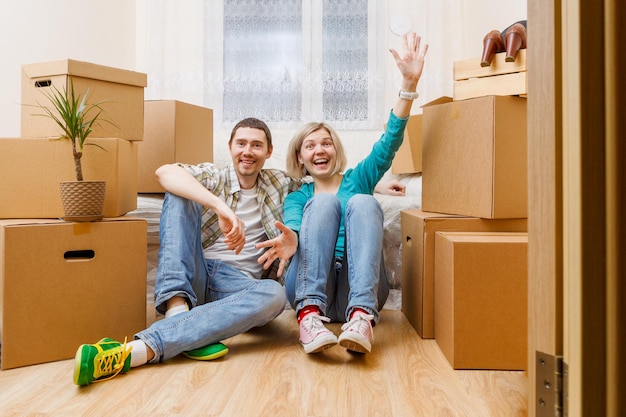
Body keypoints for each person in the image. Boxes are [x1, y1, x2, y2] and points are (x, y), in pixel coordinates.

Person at [72, 117, 301, 385]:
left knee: (274, 294)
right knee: (180, 192)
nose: (247, 151)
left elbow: (323, 183)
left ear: (269, 152)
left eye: (256, 145)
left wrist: (294, 237)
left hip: (239, 287)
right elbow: (165, 172)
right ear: (230, 147)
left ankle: (164, 336)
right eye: (241, 143)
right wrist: (220, 207)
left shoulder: (280, 183)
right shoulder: (215, 177)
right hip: (199, 271)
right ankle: (176, 311)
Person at [280, 32, 428, 354]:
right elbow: (292, 227)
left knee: (362, 201)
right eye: (310, 145)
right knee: (322, 205)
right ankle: (308, 318)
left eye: (326, 142)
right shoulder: (296, 197)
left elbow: (389, 143)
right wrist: (290, 241)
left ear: (335, 150)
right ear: (300, 158)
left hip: (358, 287)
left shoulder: (359, 179)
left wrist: (409, 84)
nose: (320, 149)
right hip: (308, 286)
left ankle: (362, 319)